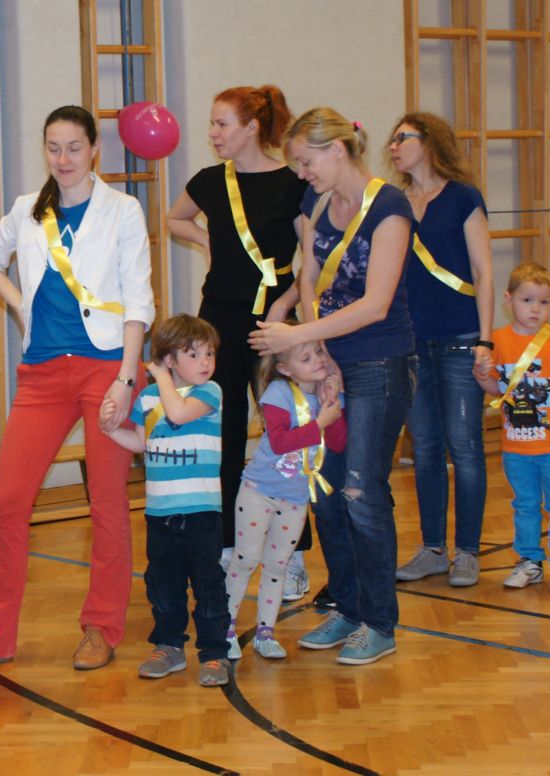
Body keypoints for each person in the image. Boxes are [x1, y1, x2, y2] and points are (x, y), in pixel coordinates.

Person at [0, 105, 154, 669]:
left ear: (95, 148)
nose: (64, 158)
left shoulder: (122, 210)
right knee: (7, 502)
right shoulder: (28, 209)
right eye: (53, 147)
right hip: (43, 373)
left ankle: (101, 627)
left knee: (107, 501)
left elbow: (138, 301)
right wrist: (20, 303)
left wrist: (126, 379)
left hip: (107, 369)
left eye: (74, 147)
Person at [250, 107, 415, 666]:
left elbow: (376, 304)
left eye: (306, 161)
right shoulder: (318, 203)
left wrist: (299, 334)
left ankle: (380, 622)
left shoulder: (389, 208)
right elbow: (309, 279)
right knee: (325, 491)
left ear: (337, 150)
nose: (301, 173)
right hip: (332, 362)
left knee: (362, 493)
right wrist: (319, 355)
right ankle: (346, 605)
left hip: (380, 363)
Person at [166, 85, 314, 604]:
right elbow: (174, 218)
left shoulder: (293, 184)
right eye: (212, 123)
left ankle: (292, 557)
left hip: (276, 324)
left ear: (252, 128)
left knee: (284, 438)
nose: (213, 133)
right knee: (223, 435)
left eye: (222, 124)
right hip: (219, 321)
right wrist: (207, 241)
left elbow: (312, 261)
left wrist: (283, 308)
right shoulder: (210, 181)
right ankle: (229, 543)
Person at [388, 112, 494, 588]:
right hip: (411, 342)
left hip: (461, 339)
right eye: (392, 140)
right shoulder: (393, 203)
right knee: (426, 447)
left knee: (465, 446)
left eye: (403, 138)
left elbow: (483, 272)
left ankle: (467, 550)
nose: (393, 146)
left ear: (429, 143)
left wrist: (486, 339)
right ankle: (433, 549)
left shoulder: (464, 197)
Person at [103, 315, 231, 687]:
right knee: (163, 583)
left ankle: (214, 652)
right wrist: (110, 430)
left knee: (208, 583)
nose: (205, 362)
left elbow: (177, 412)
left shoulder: (209, 392)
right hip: (160, 512)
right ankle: (169, 646)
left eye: (209, 353)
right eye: (194, 354)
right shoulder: (147, 399)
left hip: (201, 511)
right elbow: (141, 443)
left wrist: (160, 377)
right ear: (170, 359)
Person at [226, 333, 346, 661]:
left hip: (295, 499)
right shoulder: (278, 393)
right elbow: (280, 442)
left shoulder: (330, 396)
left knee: (278, 565)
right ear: (285, 368)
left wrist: (333, 405)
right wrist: (320, 422)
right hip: (259, 492)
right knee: (245, 560)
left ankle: (265, 633)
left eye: (319, 352)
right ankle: (226, 629)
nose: (317, 361)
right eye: (306, 358)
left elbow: (338, 443)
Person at [473, 263, 550, 594]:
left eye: (544, 302)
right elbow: (496, 389)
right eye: (527, 300)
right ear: (509, 300)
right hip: (516, 448)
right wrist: (482, 376)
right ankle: (530, 561)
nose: (536, 309)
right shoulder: (498, 340)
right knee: (524, 506)